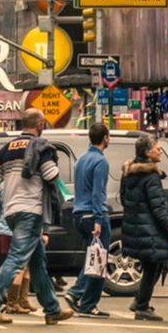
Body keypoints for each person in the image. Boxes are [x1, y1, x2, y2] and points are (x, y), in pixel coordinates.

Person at [0, 110, 71, 325]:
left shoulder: (6, 149)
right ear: (39, 124)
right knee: (16, 259)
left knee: (38, 262)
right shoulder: (40, 147)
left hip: (11, 212)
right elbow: (51, 175)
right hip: (30, 211)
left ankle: (52, 308)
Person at [119, 134, 168, 321]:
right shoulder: (151, 176)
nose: (160, 150)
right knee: (152, 266)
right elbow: (159, 207)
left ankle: (140, 299)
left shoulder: (128, 173)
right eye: (157, 147)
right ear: (148, 152)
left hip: (136, 225)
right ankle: (142, 305)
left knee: (153, 265)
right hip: (150, 228)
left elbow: (124, 199)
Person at [67, 122, 113, 318]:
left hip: (79, 214)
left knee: (92, 258)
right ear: (105, 138)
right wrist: (98, 218)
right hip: (94, 215)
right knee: (99, 261)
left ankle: (76, 292)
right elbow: (97, 193)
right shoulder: (100, 162)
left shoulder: (81, 159)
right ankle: (87, 303)